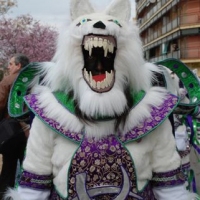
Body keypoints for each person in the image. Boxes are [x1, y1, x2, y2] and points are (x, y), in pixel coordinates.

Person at [4, 0, 200, 199]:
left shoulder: (151, 112)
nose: (98, 67)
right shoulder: (51, 111)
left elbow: (170, 187)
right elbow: (33, 187)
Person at [0, 53, 30, 199]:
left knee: (8, 167)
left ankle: (5, 195)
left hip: (11, 132)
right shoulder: (37, 80)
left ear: (18, 66)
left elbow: (0, 104)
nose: (9, 66)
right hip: (32, 132)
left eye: (11, 64)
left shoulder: (7, 81)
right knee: (30, 167)